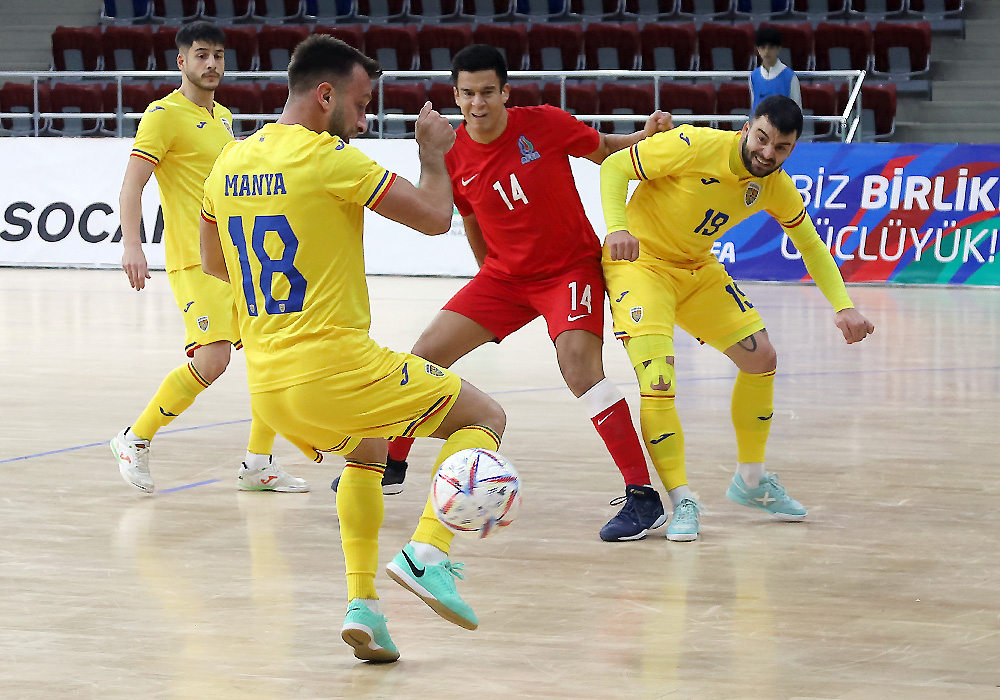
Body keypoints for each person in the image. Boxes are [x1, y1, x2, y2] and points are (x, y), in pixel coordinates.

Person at [199, 35, 508, 664]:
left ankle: (364, 606)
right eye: (362, 105)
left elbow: (214, 262)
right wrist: (433, 154)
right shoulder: (329, 158)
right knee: (485, 417)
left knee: (367, 450)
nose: (365, 120)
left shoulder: (230, 160)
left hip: (270, 389)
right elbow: (435, 217)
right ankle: (429, 552)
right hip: (335, 368)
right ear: (324, 95)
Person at [331, 44, 674, 543]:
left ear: (505, 92)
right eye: (468, 93)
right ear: (455, 96)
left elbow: (604, 149)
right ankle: (393, 464)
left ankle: (643, 497)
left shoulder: (544, 123)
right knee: (423, 355)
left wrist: (645, 137)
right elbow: (470, 220)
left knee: (580, 369)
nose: (478, 103)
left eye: (488, 92)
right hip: (504, 279)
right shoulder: (453, 153)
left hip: (568, 271)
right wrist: (486, 277)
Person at [600, 95, 875, 542]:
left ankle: (751, 479)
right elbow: (615, 167)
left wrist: (843, 305)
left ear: (792, 150)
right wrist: (617, 227)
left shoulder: (775, 185)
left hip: (697, 269)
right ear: (747, 128)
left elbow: (810, 244)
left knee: (761, 357)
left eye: (781, 148)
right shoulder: (694, 145)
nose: (767, 153)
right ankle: (681, 499)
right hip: (641, 265)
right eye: (762, 139)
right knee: (658, 379)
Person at [110, 21, 308, 494]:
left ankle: (258, 463)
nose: (212, 63)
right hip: (193, 260)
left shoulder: (223, 116)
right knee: (214, 358)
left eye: (218, 55)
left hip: (237, 259)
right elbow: (132, 185)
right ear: (182, 62)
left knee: (268, 354)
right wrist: (133, 245)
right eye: (201, 55)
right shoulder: (162, 115)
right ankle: (135, 438)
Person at [750, 26, 802, 115]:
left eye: (771, 47)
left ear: (778, 48)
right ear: (757, 49)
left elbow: (797, 111)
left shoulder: (790, 77)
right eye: (763, 47)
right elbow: (754, 107)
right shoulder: (753, 77)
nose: (766, 51)